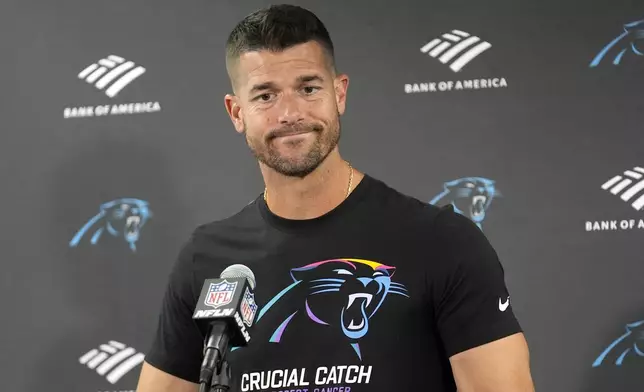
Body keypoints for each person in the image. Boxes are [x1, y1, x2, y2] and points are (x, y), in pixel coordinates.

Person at [136, 4, 535, 392]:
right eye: (265, 96)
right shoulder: (207, 259)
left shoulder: (443, 243)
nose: (289, 112)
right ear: (236, 112)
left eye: (308, 88)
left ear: (339, 93)